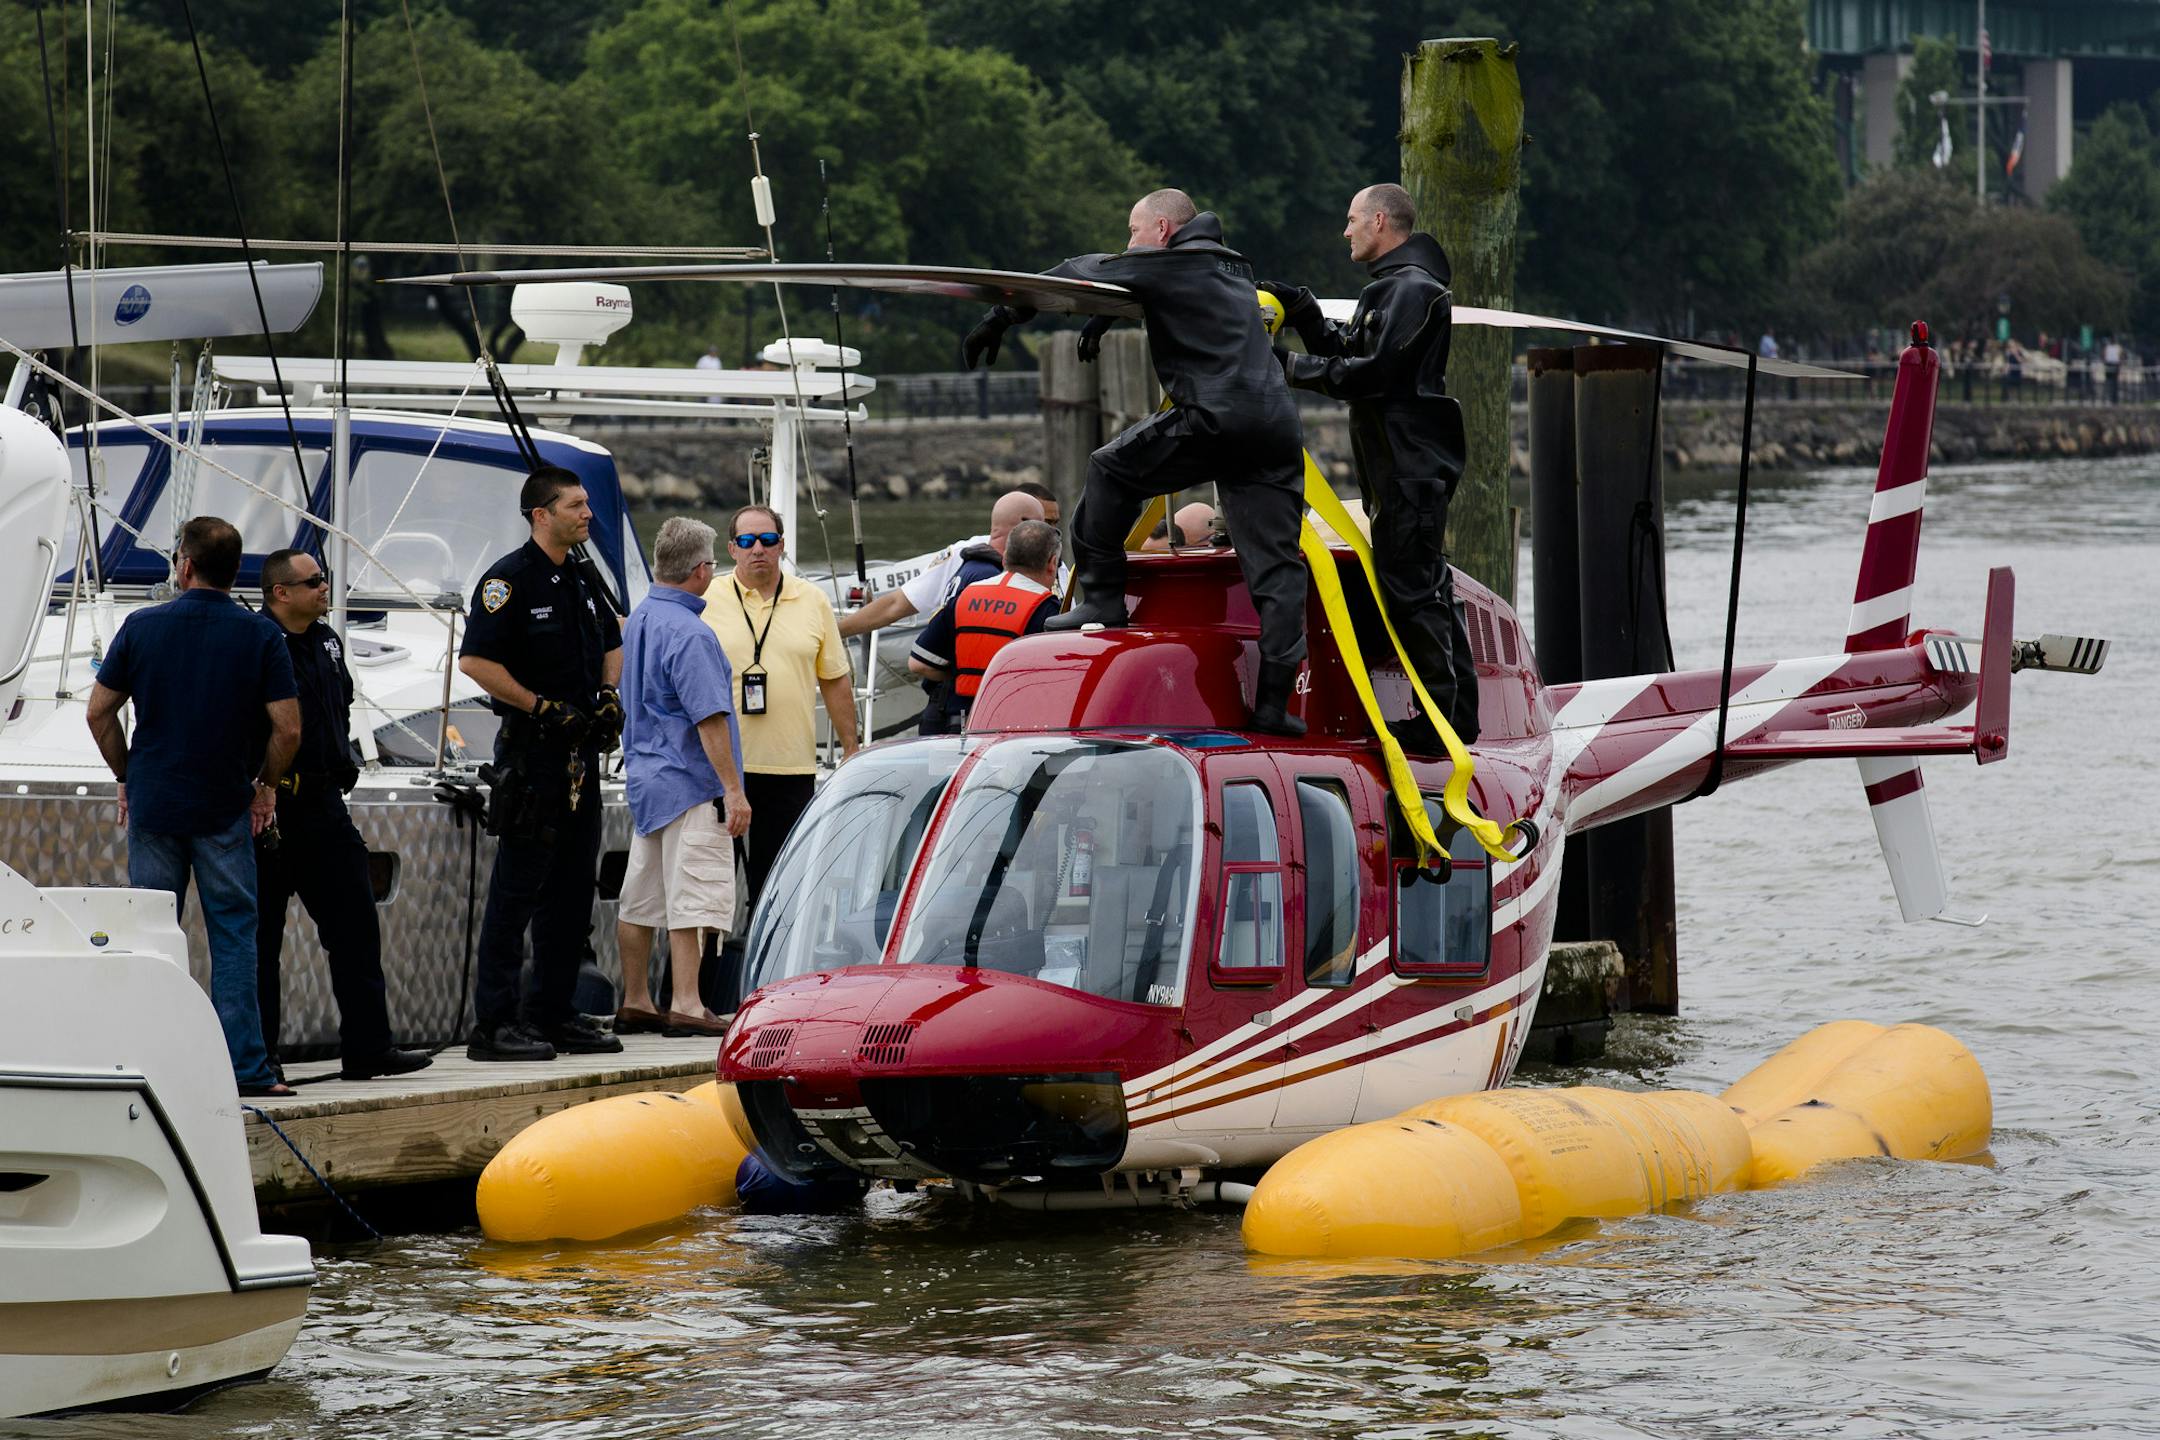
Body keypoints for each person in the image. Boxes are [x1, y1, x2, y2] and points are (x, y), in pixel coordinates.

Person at [962, 187, 1309, 733]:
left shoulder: (1172, 261)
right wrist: (1109, 315)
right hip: (1275, 428)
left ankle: (1102, 600)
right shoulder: (1235, 269)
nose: (1129, 243)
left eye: (1133, 232)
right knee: (1278, 568)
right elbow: (1226, 305)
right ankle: (1274, 706)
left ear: (1163, 232)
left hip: (1213, 418)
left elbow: (1079, 270)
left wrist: (1003, 314)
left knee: (1109, 467)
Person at [85, 517, 300, 1097]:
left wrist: (127, 774)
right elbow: (287, 728)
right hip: (224, 805)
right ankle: (246, 1070)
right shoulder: (261, 637)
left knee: (153, 936)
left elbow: (98, 713)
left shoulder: (142, 626)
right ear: (235, 572)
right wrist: (265, 786)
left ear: (184, 565)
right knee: (234, 935)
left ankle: (152, 1064)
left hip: (155, 803)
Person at [1262, 181, 1481, 746]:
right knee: (1425, 588)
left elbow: (1373, 375)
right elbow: (1352, 355)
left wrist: (1287, 366)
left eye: (1353, 219)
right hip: (1403, 469)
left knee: (1413, 593)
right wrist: (1307, 313)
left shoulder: (1410, 289)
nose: (1346, 230)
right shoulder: (1395, 288)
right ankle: (1457, 718)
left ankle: (1439, 725)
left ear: (1380, 221)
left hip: (1411, 470)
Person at [457, 465, 626, 1062]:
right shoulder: (508, 581)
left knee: (572, 891)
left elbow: (613, 639)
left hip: (581, 758)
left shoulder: (582, 576)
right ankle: (494, 1025)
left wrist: (608, 695)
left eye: (586, 504)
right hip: (533, 758)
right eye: (576, 505)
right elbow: (475, 662)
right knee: (516, 894)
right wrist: (540, 706)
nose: (587, 514)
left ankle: (552, 1012)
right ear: (541, 515)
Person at [253, 549, 432, 1083]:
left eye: (325, 579)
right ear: (281, 592)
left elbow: (343, 703)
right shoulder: (257, 642)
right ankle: (263, 1057)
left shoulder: (329, 641)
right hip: (272, 807)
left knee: (355, 927)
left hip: (326, 806)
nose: (325, 588)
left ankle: (369, 1047)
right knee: (262, 940)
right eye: (313, 582)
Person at [613, 518, 751, 1039]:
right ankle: (688, 1003)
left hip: (647, 781)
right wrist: (733, 790)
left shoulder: (641, 618)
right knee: (691, 897)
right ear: (700, 571)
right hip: (691, 784)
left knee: (641, 896)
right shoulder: (692, 633)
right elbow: (708, 718)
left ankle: (636, 999)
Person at [703, 504, 860, 926]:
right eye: (749, 541)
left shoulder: (811, 599)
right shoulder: (706, 598)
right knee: (709, 893)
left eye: (768, 540)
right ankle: (696, 989)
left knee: (776, 894)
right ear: (732, 549)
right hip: (720, 767)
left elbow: (835, 679)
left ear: (782, 546)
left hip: (789, 768)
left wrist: (851, 749)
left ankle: (769, 985)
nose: (759, 549)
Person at [908, 519, 1062, 728]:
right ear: (1052, 563)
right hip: (1013, 732)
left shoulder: (966, 595)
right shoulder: (1048, 608)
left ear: (1005, 556)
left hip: (956, 728)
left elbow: (918, 663)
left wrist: (962, 674)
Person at [837, 489, 1045, 640]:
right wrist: (834, 633)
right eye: (1046, 524)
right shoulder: (960, 557)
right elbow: (895, 605)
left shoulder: (1056, 566)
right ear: (1024, 522)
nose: (1051, 535)